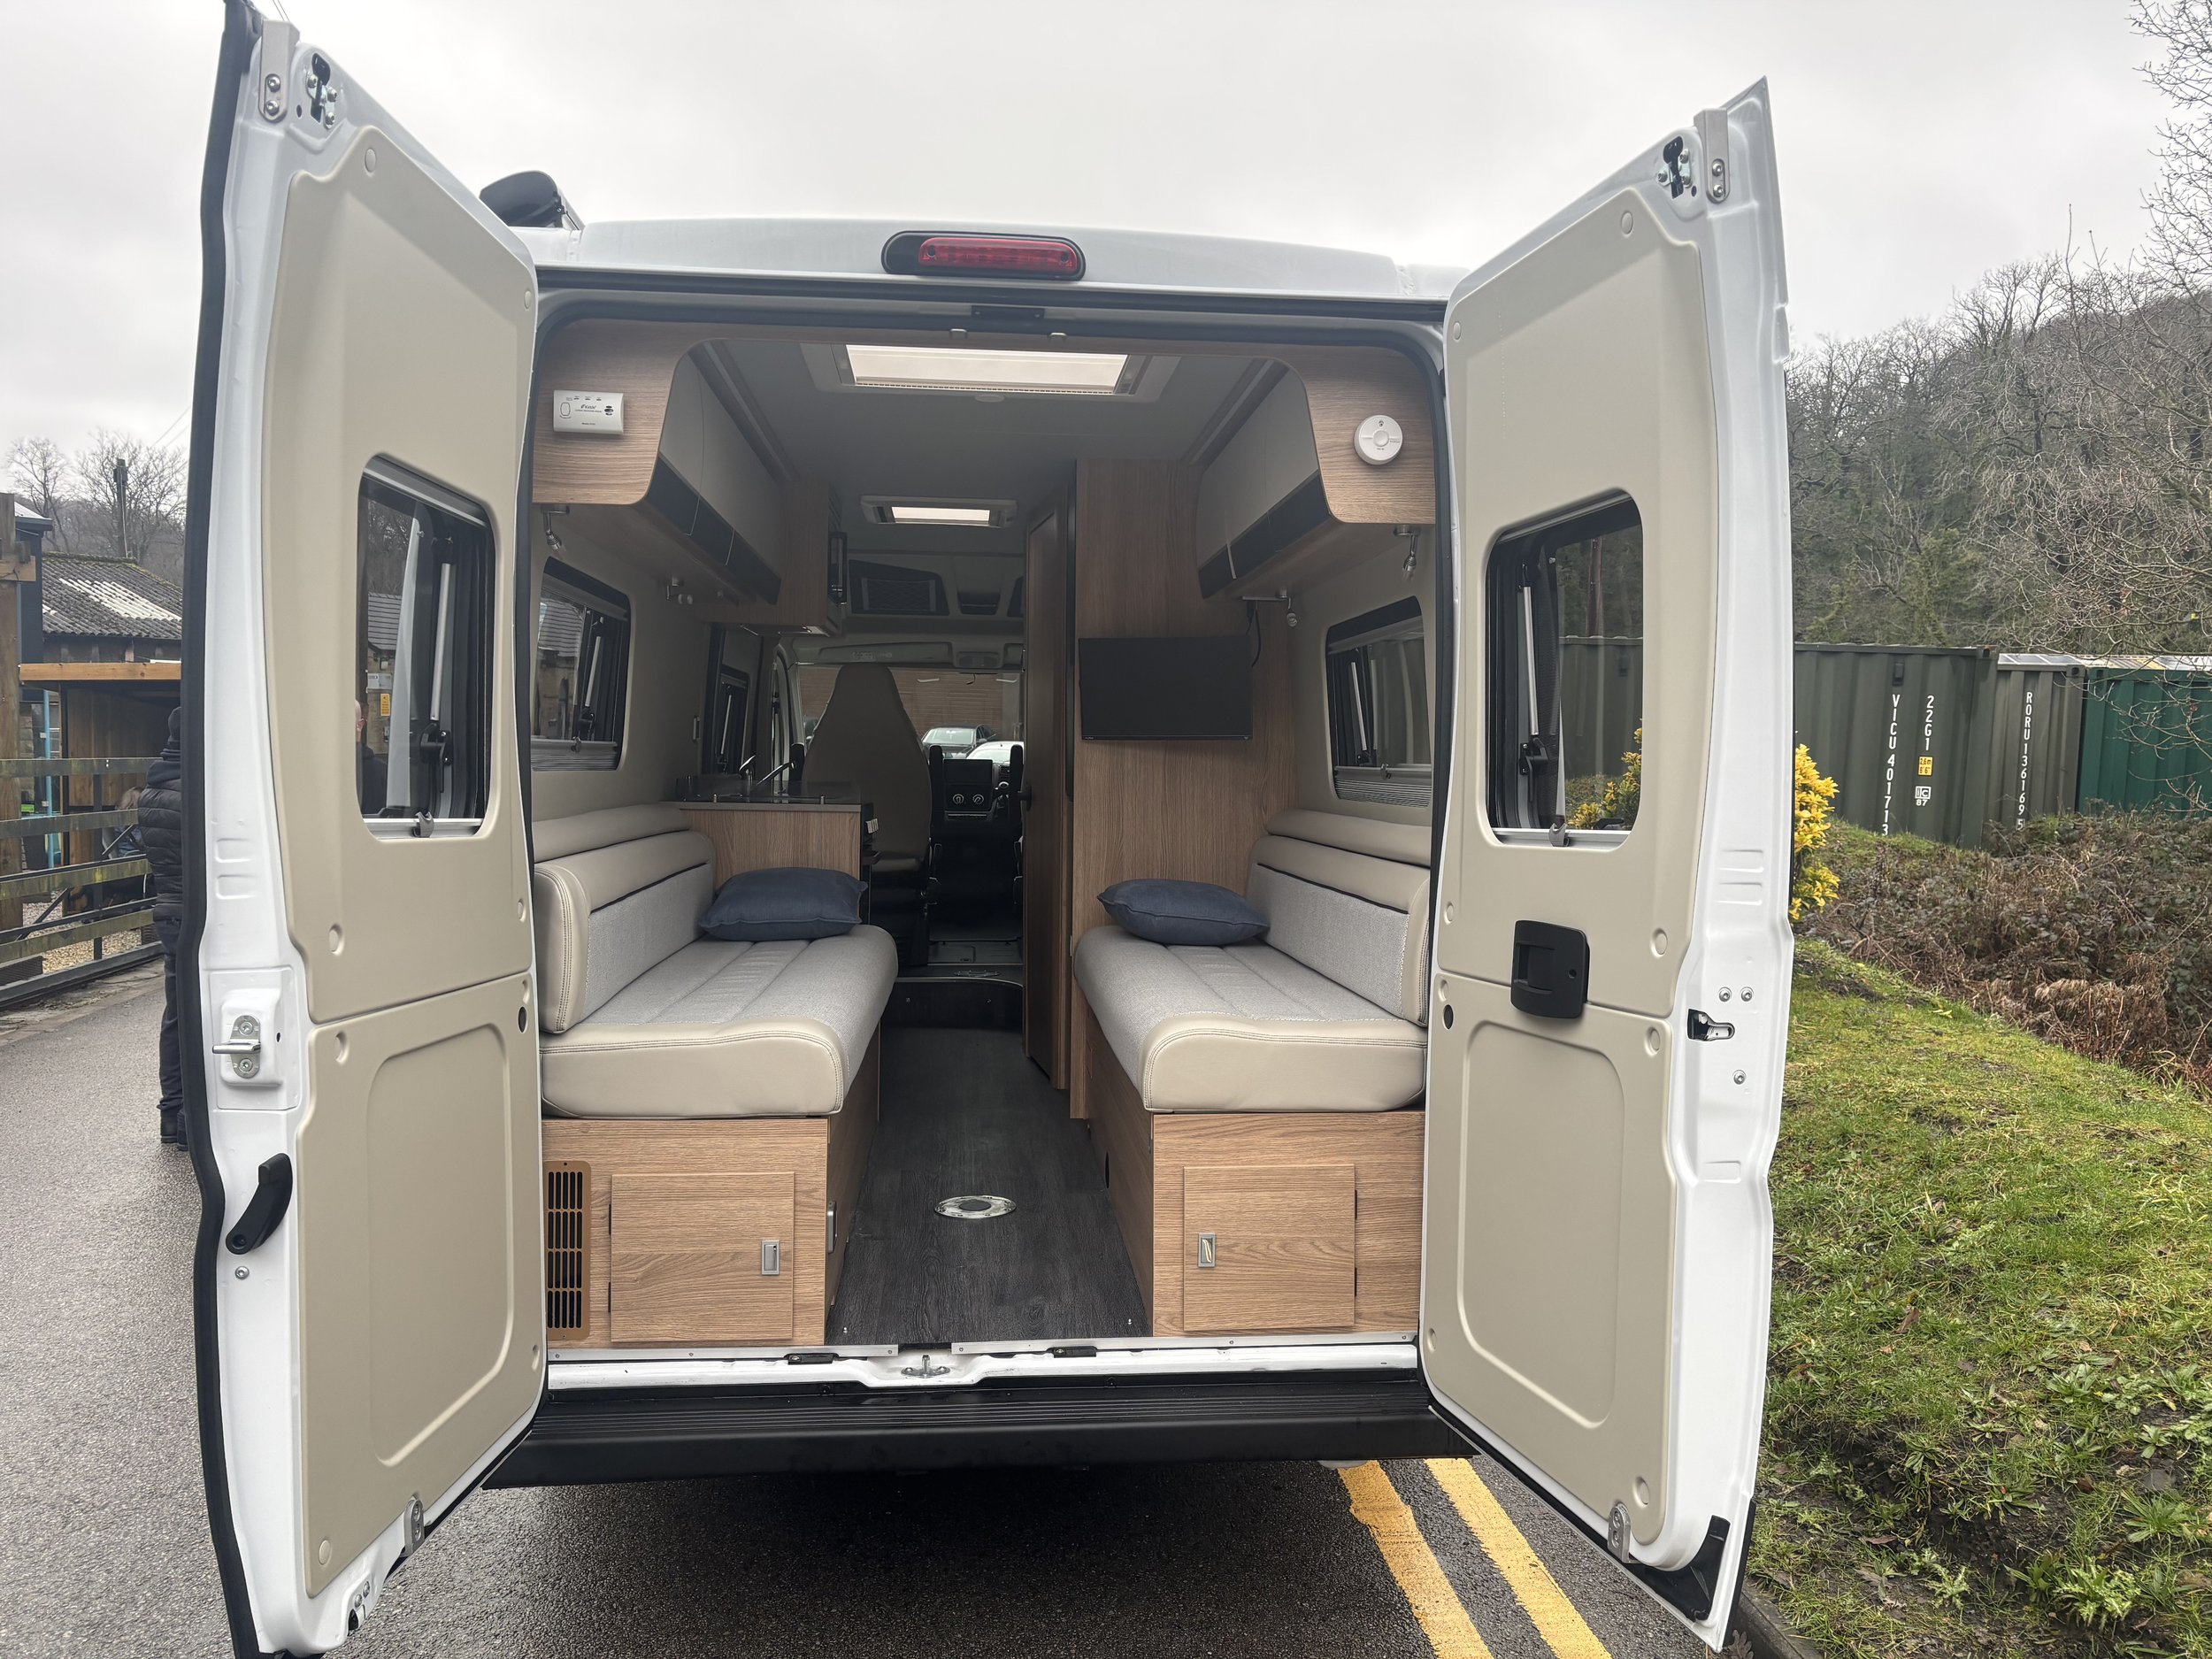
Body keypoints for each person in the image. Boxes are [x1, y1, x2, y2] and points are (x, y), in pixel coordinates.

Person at [139, 709, 187, 1146]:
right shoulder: (194, 793)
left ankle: (172, 1113)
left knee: (175, 1014)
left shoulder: (151, 791)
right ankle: (192, 1117)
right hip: (197, 913)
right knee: (201, 1013)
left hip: (167, 908)